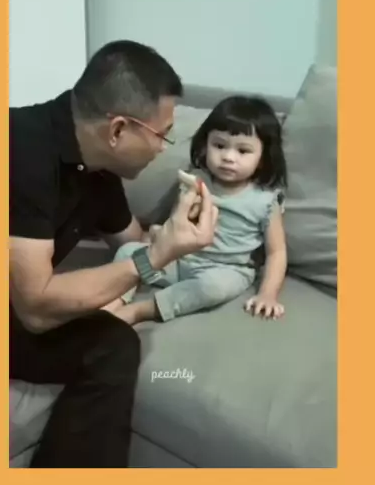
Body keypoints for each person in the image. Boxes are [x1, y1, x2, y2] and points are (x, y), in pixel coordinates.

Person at [9, 40, 218, 468]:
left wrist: (172, 230)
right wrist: (154, 256)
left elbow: (130, 239)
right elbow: (35, 308)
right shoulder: (21, 149)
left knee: (114, 345)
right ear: (118, 129)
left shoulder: (97, 170)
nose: (164, 148)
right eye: (162, 135)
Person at [112, 95, 287, 324]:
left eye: (243, 151)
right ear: (205, 145)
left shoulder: (264, 199)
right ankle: (113, 304)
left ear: (263, 157)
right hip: (177, 261)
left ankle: (140, 311)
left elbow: (276, 252)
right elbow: (176, 224)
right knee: (128, 252)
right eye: (219, 146)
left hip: (224, 270)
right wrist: (159, 233)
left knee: (211, 288)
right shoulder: (195, 180)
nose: (228, 157)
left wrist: (268, 294)